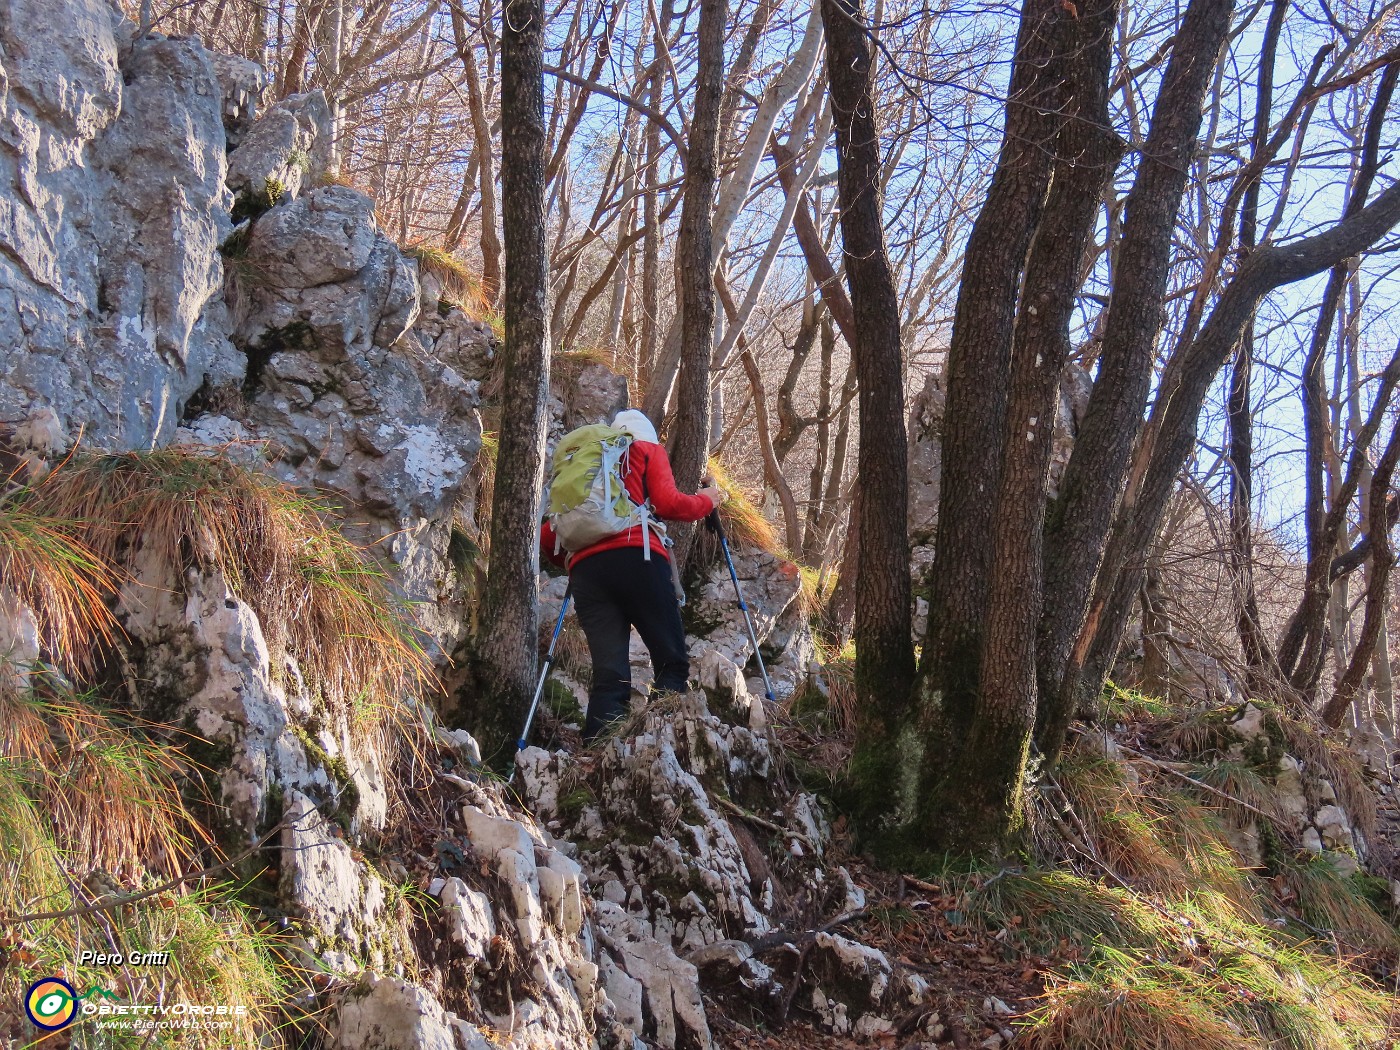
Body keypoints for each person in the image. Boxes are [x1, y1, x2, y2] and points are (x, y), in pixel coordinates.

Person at [541, 409, 723, 739]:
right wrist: (708, 500)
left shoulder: (587, 464)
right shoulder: (645, 449)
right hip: (637, 560)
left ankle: (598, 757)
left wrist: (588, 551)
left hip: (587, 574)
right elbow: (669, 503)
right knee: (671, 662)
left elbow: (549, 539)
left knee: (609, 676)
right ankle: (658, 743)